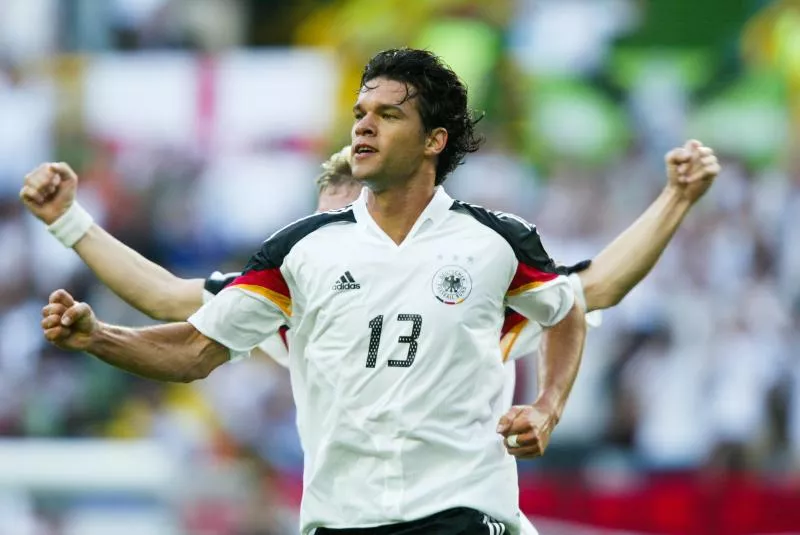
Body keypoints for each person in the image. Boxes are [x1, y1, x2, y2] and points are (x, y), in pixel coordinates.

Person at [28, 49, 720, 534]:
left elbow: (586, 293)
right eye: (358, 120)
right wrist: (73, 234)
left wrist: (674, 201)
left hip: (462, 513)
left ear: (426, 145)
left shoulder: (483, 252)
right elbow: (179, 313)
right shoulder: (301, 264)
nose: (362, 136)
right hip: (341, 517)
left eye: (383, 119)